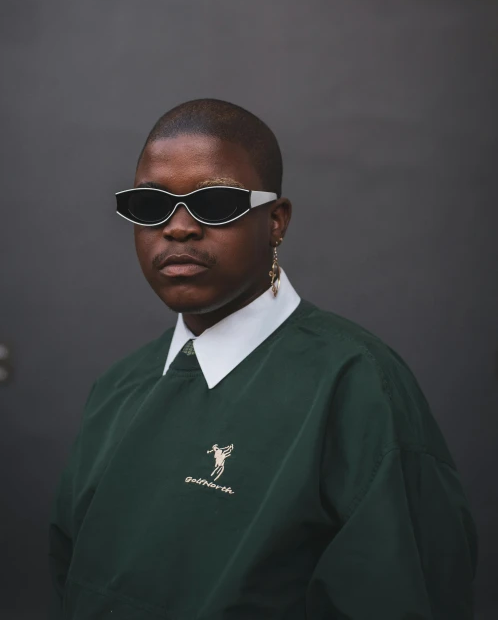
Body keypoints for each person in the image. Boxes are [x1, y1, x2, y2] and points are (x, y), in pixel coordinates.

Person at [48, 98, 478, 619]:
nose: (178, 227)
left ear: (276, 221)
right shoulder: (117, 388)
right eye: (150, 206)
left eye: (215, 203)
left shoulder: (357, 385)